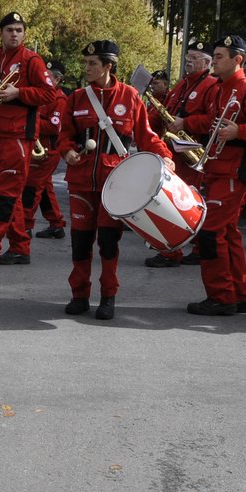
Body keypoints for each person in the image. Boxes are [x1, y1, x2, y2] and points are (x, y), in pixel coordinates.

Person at [58, 40, 172, 320]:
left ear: (108, 66)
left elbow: (147, 136)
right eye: (86, 63)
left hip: (116, 184)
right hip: (81, 182)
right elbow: (64, 135)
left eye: (92, 63)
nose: (86, 68)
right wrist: (67, 151)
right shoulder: (77, 98)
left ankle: (108, 297)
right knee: (80, 241)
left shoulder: (131, 97)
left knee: (109, 242)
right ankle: (79, 295)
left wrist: (165, 156)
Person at [174, 35, 246, 315]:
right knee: (228, 234)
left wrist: (240, 132)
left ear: (239, 59)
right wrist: (186, 124)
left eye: (220, 56)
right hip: (217, 167)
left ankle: (221, 297)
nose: (215, 61)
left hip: (235, 171)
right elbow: (209, 121)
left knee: (211, 233)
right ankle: (241, 293)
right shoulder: (217, 89)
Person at [0, 11, 59, 268]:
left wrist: (19, 92)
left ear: (24, 33)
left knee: (6, 195)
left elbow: (49, 94)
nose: (14, 34)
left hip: (18, 136)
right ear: (1, 33)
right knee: (8, 194)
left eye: (19, 30)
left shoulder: (32, 60)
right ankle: (19, 248)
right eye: (10, 30)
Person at [148, 42, 215, 267]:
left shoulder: (212, 86)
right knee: (174, 202)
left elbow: (213, 121)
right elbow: (164, 112)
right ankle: (175, 249)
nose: (189, 61)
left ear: (207, 63)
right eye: (188, 56)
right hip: (175, 152)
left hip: (193, 152)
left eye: (195, 57)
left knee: (189, 201)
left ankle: (191, 250)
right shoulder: (181, 85)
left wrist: (186, 122)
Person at [19, 60, 68, 241]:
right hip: (39, 147)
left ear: (58, 79)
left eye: (47, 77)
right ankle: (56, 224)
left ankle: (25, 225)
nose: (43, 79)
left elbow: (55, 127)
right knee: (45, 188)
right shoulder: (44, 96)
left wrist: (30, 120)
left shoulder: (59, 99)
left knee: (31, 188)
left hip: (48, 151)